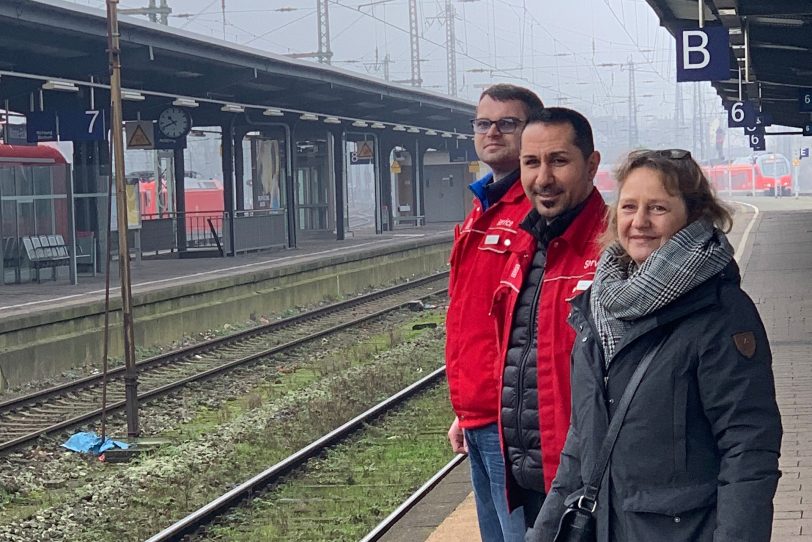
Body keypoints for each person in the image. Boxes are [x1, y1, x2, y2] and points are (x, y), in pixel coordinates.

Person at [529, 149, 783, 542]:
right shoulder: (597, 307)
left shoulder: (721, 312)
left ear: (693, 216)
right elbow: (581, 443)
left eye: (658, 208)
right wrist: (542, 534)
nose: (639, 222)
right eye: (629, 206)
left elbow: (748, 450)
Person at [489, 107, 607, 531]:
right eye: (531, 162)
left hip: (587, 482)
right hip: (527, 476)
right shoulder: (524, 246)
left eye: (559, 161)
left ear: (591, 165)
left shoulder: (613, 249)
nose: (543, 179)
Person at [445, 83, 543, 541]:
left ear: (533, 132)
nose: (493, 132)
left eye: (508, 123)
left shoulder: (535, 212)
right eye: (484, 123)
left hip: (514, 422)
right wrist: (464, 411)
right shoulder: (481, 210)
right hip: (480, 415)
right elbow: (474, 323)